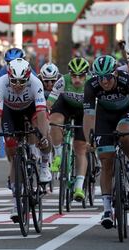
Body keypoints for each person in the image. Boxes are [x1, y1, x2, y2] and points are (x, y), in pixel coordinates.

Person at [83, 55, 129, 229]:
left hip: (126, 113)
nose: (104, 81)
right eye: (99, 77)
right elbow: (88, 116)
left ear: (116, 74)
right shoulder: (91, 85)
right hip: (104, 117)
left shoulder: (128, 81)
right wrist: (88, 139)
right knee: (106, 160)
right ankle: (106, 209)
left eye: (107, 77)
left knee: (125, 134)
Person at [0, 58, 52, 221]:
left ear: (28, 77)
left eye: (22, 81)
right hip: (10, 113)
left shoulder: (36, 83)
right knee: (11, 147)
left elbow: (40, 113)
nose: (17, 85)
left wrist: (43, 136)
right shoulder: (1, 83)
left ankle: (44, 162)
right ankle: (16, 202)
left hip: (31, 110)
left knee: (40, 130)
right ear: (9, 76)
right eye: (14, 81)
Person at [49, 57, 90, 201]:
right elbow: (50, 103)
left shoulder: (92, 83)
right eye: (74, 75)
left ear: (87, 75)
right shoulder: (63, 80)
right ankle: (58, 155)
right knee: (54, 121)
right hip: (65, 106)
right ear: (69, 74)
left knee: (80, 147)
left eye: (81, 76)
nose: (77, 79)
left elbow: (96, 112)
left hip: (84, 111)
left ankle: (79, 186)